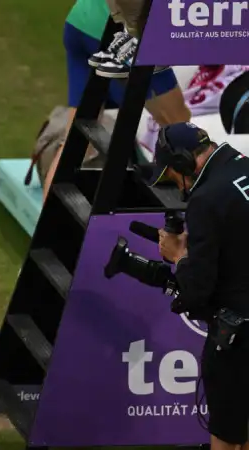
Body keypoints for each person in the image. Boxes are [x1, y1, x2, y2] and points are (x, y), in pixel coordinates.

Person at [145, 122, 249, 450]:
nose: (176, 186)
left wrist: (178, 256)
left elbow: (197, 291)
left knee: (229, 437)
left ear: (183, 163)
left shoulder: (206, 199)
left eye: (171, 175)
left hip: (240, 337)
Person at [42, 0, 191, 202]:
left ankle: (49, 227)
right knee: (182, 130)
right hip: (124, 32)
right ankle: (202, 223)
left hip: (80, 20)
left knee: (76, 144)